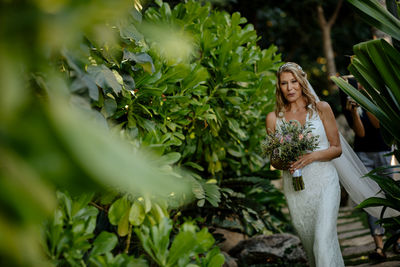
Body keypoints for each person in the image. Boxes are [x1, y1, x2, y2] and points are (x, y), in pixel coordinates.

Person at [266, 62, 344, 267]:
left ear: (302, 82)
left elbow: (336, 148)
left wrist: (311, 156)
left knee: (322, 240)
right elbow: (274, 160)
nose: (290, 88)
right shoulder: (274, 119)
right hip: (297, 189)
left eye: (294, 81)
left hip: (325, 181)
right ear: (279, 87)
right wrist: (285, 160)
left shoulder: (321, 108)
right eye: (284, 83)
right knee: (311, 246)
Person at [341, 77, 400, 259]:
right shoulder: (346, 86)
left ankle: (397, 240)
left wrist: (366, 98)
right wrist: (354, 112)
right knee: (371, 197)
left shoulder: (379, 84)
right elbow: (360, 133)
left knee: (391, 194)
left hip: (384, 150)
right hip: (363, 153)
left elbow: (378, 125)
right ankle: (379, 246)